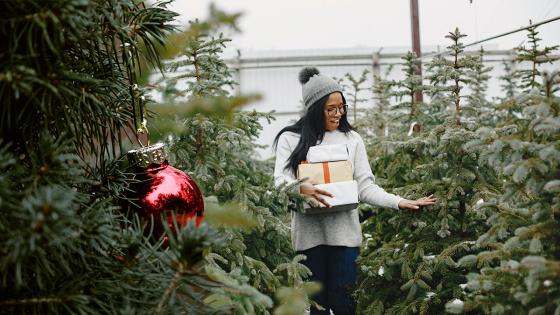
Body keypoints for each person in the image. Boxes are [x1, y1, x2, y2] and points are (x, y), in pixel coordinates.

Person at [272, 67, 437, 315]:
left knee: (345, 304)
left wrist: (400, 202)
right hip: (308, 239)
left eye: (342, 107)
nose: (338, 114)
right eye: (331, 109)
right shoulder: (291, 139)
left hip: (345, 238)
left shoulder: (351, 139)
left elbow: (365, 186)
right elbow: (278, 181)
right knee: (316, 307)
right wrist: (299, 187)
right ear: (315, 109)